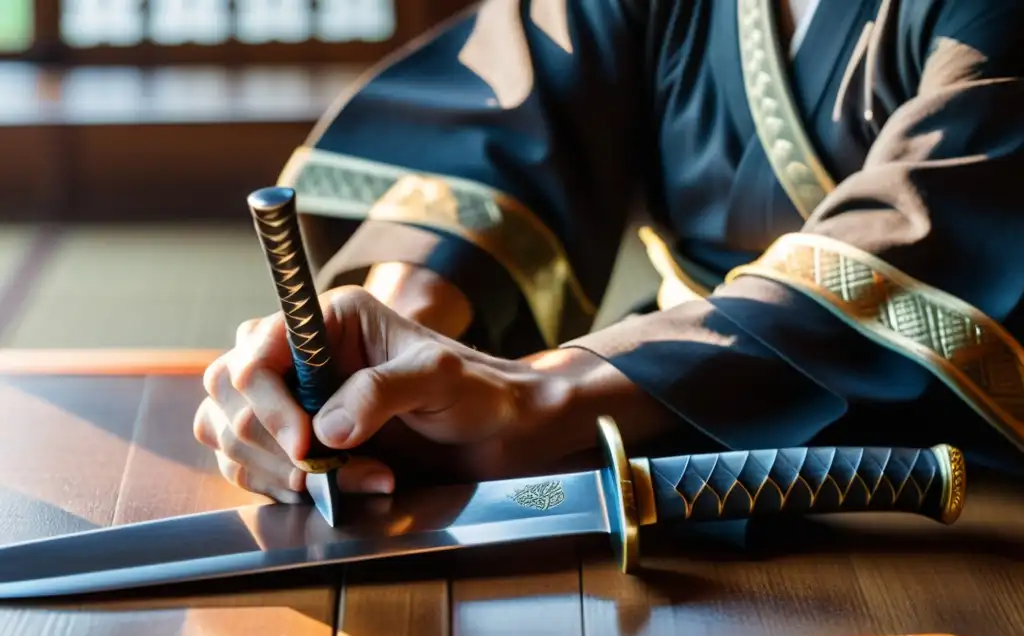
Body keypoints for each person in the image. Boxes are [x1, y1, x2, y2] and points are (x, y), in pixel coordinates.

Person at [194, 0, 1024, 502]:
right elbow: (524, 105)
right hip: (666, 434)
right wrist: (385, 346)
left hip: (949, 475)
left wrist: (543, 395)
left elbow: (936, 226)